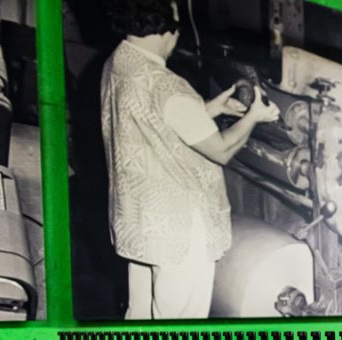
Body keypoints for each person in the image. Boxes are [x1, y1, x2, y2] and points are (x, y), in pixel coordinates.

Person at [101, 0, 280, 319]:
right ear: (165, 27)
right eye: (177, 17)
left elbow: (150, 120)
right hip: (179, 233)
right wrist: (254, 116)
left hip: (139, 222)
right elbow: (222, 150)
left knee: (140, 318)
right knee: (179, 330)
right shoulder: (167, 85)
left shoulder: (118, 62)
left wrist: (211, 108)